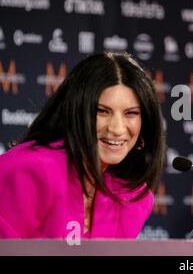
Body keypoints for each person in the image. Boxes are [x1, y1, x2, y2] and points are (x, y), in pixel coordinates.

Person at [0, 52, 166, 239]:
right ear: (77, 111)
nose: (117, 129)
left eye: (131, 113)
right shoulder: (29, 170)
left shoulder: (132, 196)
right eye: (102, 111)